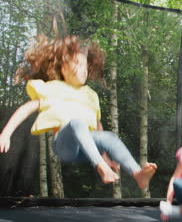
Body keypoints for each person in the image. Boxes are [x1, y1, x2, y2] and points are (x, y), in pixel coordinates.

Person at [0, 34, 157, 189]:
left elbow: (98, 129)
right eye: (76, 64)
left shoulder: (90, 94)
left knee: (109, 137)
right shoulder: (52, 88)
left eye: (84, 66)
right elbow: (26, 109)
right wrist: (6, 133)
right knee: (77, 122)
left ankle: (138, 174)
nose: (82, 70)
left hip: (86, 150)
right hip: (64, 145)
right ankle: (101, 167)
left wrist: (106, 157)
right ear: (63, 67)